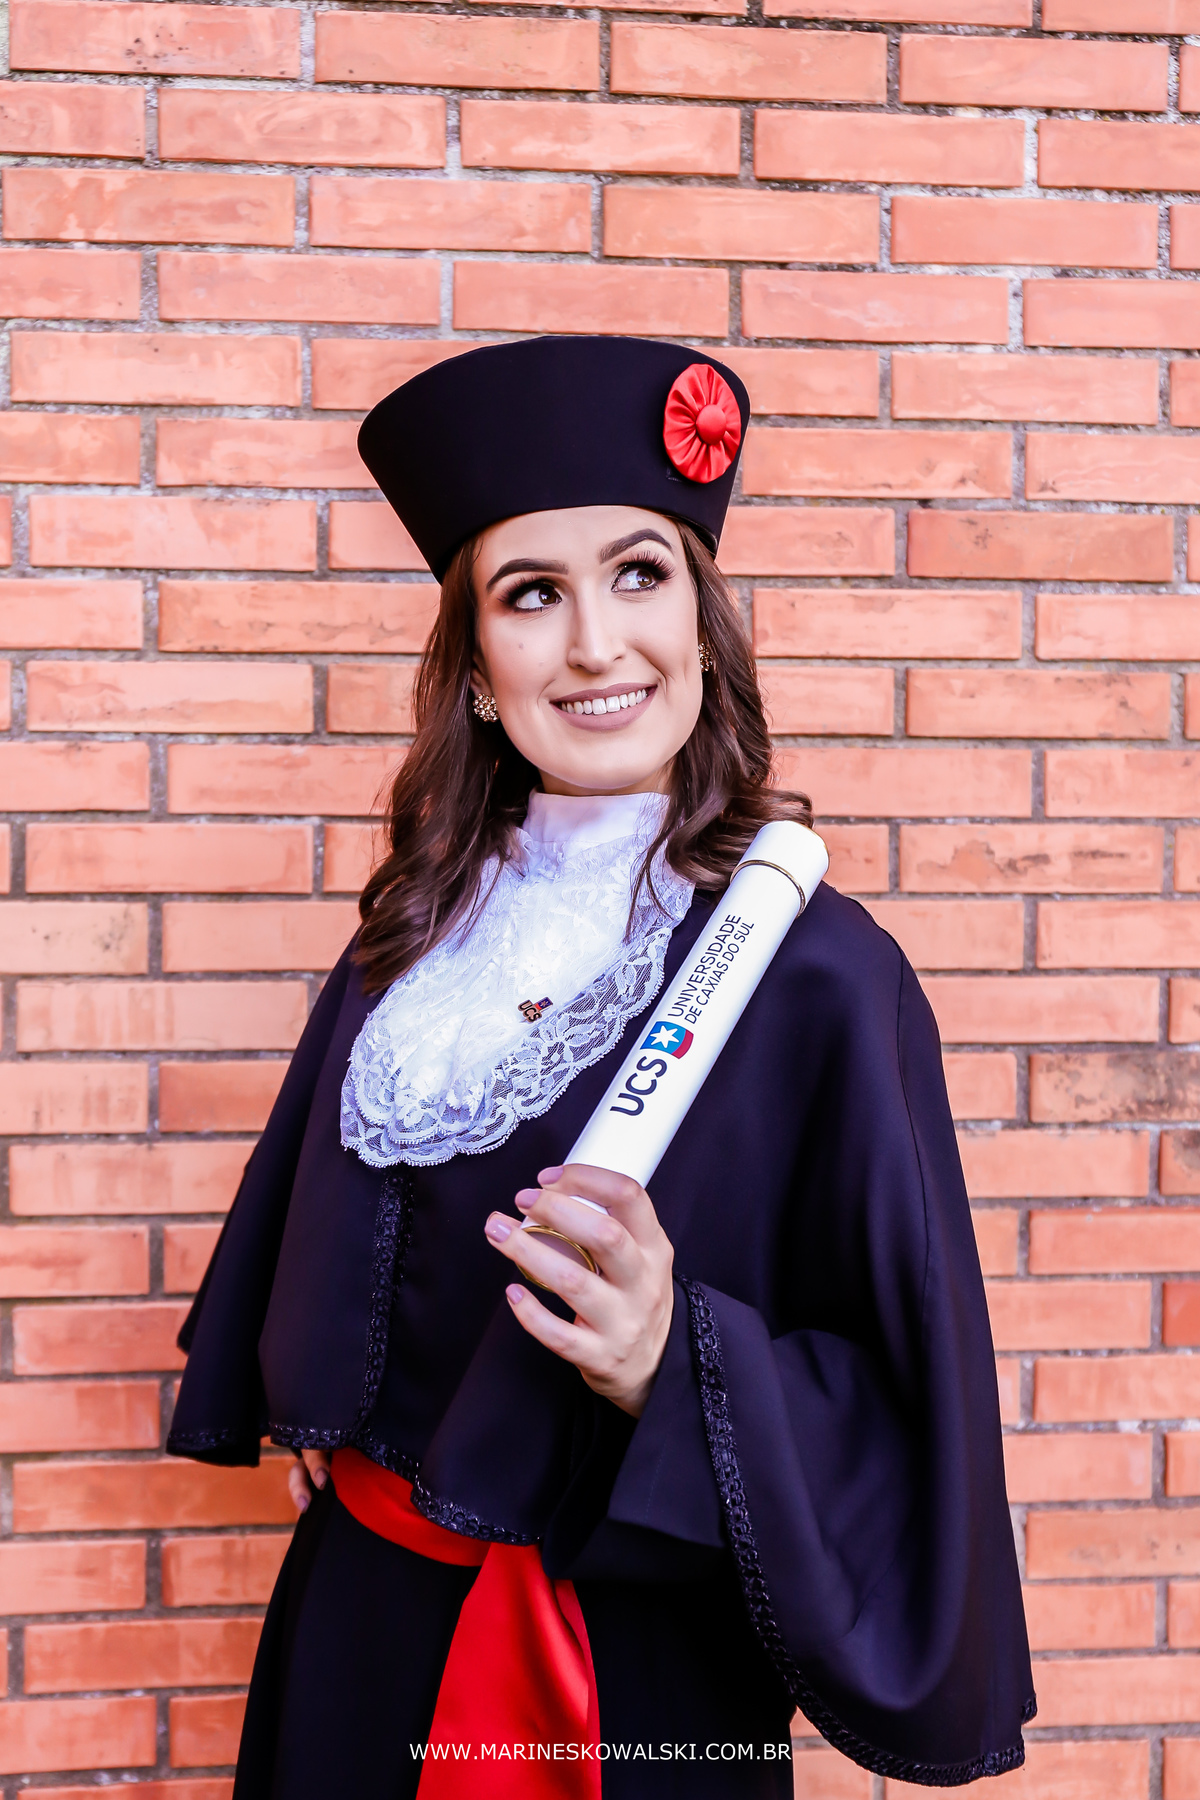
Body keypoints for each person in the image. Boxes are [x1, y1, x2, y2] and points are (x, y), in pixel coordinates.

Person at [168, 336, 1034, 1798]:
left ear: (702, 619)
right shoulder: (416, 934)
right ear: (476, 667)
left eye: (640, 575)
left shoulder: (823, 973)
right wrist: (323, 1381)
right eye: (531, 595)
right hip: (357, 1628)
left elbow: (905, 1401)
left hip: (629, 1677)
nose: (593, 646)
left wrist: (670, 1354)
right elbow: (324, 1238)